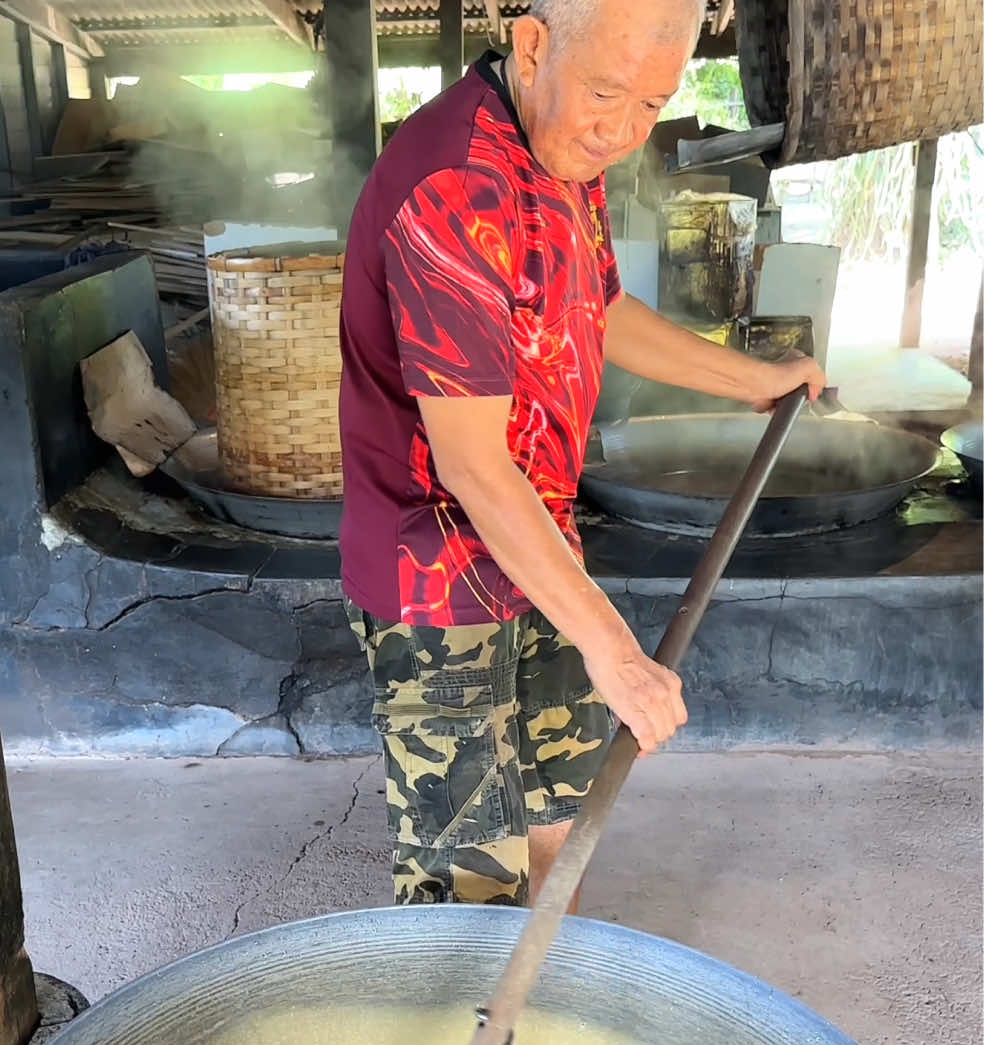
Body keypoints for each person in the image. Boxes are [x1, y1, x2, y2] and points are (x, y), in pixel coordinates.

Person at [338, 0, 825, 908]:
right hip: (436, 576)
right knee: (469, 875)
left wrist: (749, 378)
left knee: (558, 806)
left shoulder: (565, 147)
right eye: (607, 92)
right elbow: (474, 467)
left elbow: (596, 305)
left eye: (652, 102)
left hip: (540, 544)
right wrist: (614, 648)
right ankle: (467, 1032)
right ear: (532, 46)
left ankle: (539, 1008)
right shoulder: (455, 186)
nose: (623, 130)